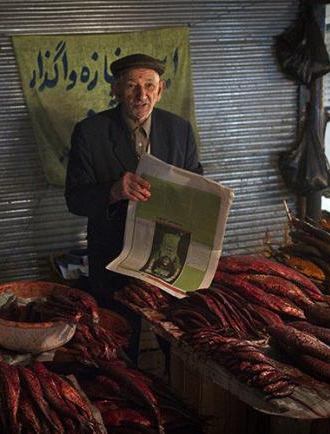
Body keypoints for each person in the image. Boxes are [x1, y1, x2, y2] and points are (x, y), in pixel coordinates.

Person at [65, 53, 203, 363]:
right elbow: (75, 199)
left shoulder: (179, 129)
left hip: (168, 257)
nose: (142, 95)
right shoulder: (90, 132)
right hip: (114, 255)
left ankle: (173, 400)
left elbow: (197, 180)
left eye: (149, 85)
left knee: (176, 343)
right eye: (132, 85)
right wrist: (114, 190)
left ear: (161, 89)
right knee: (119, 344)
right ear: (116, 90)